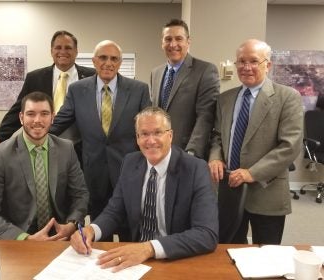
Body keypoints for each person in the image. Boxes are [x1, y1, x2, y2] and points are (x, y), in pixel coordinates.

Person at [70, 107, 218, 272]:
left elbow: (206, 234)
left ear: (170, 135)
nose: (151, 140)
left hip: (175, 259)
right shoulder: (130, 163)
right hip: (134, 261)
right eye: (144, 134)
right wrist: (91, 230)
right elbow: (115, 211)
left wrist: (149, 248)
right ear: (137, 138)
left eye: (157, 132)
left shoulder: (195, 169)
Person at [208, 39, 303, 244]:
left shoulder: (287, 97)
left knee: (267, 258)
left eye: (253, 61)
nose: (246, 67)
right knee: (228, 250)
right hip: (229, 189)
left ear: (268, 65)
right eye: (241, 61)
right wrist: (215, 157)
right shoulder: (225, 99)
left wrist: (252, 173)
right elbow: (217, 135)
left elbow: (290, 146)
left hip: (266, 190)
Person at [50, 40, 151, 229]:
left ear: (120, 63)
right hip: (93, 175)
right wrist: (24, 137)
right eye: (103, 57)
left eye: (114, 59)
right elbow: (58, 123)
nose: (108, 63)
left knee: (128, 233)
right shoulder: (77, 90)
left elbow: (148, 130)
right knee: (97, 232)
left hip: (128, 173)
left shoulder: (139, 90)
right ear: (94, 61)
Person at [0, 91, 89, 240]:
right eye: (31, 114)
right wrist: (25, 238)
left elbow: (80, 195)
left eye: (44, 114)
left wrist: (71, 225)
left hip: (58, 238)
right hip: (16, 238)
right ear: (21, 118)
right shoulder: (0, 155)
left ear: (53, 117)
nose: (37, 120)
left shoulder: (66, 149)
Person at [0, 30, 96, 150]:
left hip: (81, 149)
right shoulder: (35, 78)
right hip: (43, 146)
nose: (63, 52)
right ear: (51, 51)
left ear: (76, 51)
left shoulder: (92, 77)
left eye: (68, 48)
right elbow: (18, 110)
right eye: (58, 47)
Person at [150, 19, 220, 160]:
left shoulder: (205, 70)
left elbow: (206, 116)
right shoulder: (155, 73)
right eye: (168, 39)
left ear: (188, 42)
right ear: (162, 43)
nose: (173, 44)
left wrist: (192, 151)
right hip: (159, 152)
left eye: (179, 39)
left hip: (187, 152)